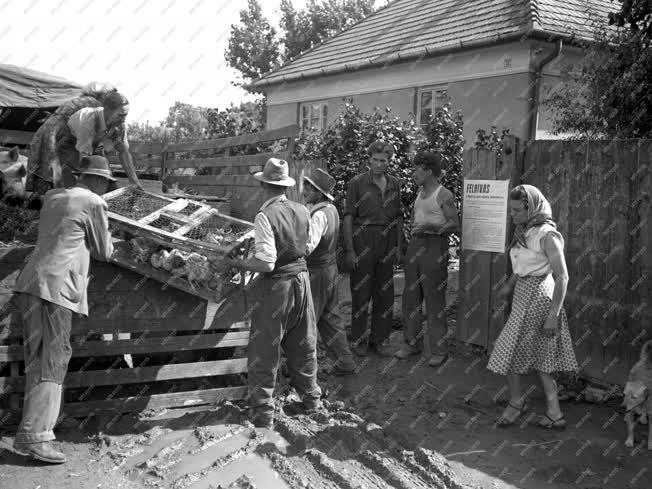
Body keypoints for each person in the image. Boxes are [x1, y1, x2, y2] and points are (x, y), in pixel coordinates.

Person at [12, 155, 115, 464]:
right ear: (98, 181)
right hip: (56, 290)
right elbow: (104, 251)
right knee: (54, 359)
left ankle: (42, 424)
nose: (105, 188)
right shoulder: (94, 202)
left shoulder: (55, 197)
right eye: (105, 183)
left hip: (31, 283)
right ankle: (36, 438)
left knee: (38, 359)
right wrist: (115, 240)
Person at [221, 158, 322, 429]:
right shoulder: (302, 209)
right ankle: (312, 400)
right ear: (285, 186)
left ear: (264, 186)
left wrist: (239, 263)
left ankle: (263, 412)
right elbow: (307, 246)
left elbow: (266, 262)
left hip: (278, 285)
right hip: (302, 280)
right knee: (303, 341)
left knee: (265, 347)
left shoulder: (264, 215)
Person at [487, 184, 578, 429]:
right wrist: (509, 285)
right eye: (511, 209)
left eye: (517, 210)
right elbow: (525, 265)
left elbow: (562, 277)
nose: (512, 214)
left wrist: (553, 315)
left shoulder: (547, 235)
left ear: (532, 207)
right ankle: (554, 413)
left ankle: (517, 403)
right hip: (523, 295)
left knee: (511, 351)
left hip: (538, 299)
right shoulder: (525, 231)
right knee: (538, 355)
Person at [395, 151, 459, 367]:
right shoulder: (419, 193)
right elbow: (414, 221)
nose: (413, 173)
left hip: (435, 246)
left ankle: (439, 350)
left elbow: (454, 224)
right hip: (416, 245)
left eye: (417, 169)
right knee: (410, 298)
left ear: (429, 171)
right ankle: (411, 344)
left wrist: (433, 227)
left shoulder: (444, 195)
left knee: (434, 300)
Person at [343, 141, 404, 357]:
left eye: (383, 160)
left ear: (389, 162)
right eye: (375, 159)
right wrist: (350, 250)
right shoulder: (357, 183)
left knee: (385, 293)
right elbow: (348, 217)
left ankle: (380, 339)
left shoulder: (395, 183)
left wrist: (398, 246)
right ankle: (358, 340)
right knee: (361, 292)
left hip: (387, 240)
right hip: (363, 239)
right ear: (369, 159)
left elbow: (398, 217)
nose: (379, 164)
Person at [26, 90, 142, 198]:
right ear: (107, 109)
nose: (124, 119)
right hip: (66, 142)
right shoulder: (90, 119)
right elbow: (84, 159)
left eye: (126, 115)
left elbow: (124, 153)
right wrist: (87, 183)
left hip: (90, 146)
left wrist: (134, 181)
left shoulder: (120, 125)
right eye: (121, 115)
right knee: (71, 182)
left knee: (105, 176)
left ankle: (103, 203)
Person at [303, 168, 357, 375]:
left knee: (307, 321)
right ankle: (345, 362)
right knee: (331, 317)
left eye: (311, 187)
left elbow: (308, 246)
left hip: (317, 273)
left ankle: (305, 369)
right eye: (306, 185)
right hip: (330, 270)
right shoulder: (331, 209)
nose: (305, 189)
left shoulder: (319, 215)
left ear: (320, 193)